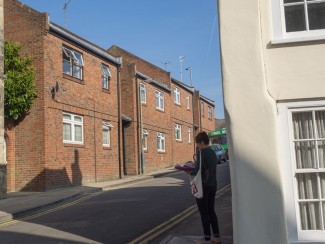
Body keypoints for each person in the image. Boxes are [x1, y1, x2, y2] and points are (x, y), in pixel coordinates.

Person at [190, 131, 221, 244]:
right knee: (211, 210)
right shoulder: (213, 152)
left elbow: (197, 170)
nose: (197, 145)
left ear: (202, 142)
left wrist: (187, 170)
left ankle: (207, 239)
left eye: (198, 143)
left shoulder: (201, 152)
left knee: (204, 213)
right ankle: (216, 237)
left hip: (203, 186)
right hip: (213, 184)